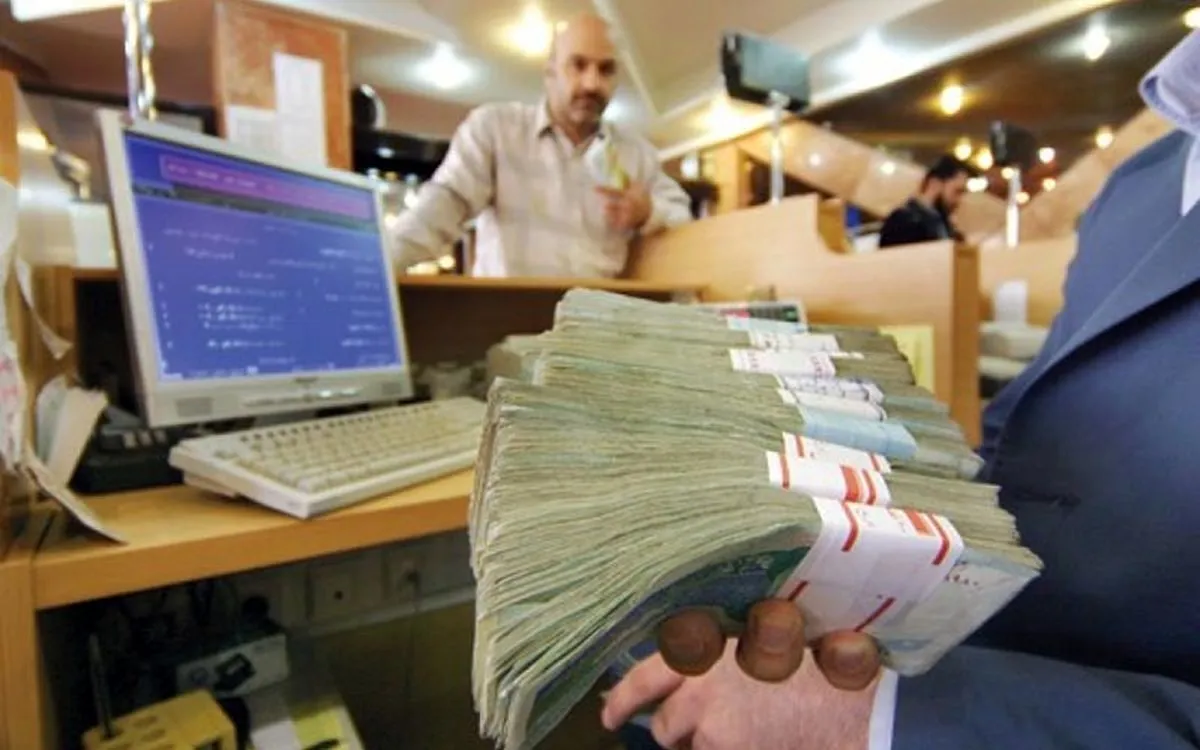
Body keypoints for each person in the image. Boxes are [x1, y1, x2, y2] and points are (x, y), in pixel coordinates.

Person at [603, 28, 1200, 750]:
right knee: (649, 658)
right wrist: (843, 516)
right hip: (968, 627)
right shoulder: (1142, 178)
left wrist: (878, 719)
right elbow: (1028, 428)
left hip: (1040, 708)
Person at [390, 13, 692, 278]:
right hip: (504, 320)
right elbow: (442, 207)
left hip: (595, 324)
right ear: (550, 72)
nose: (592, 83)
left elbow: (686, 225)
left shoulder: (636, 154)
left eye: (606, 69)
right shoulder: (495, 129)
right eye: (578, 65)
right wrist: (377, 267)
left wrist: (648, 212)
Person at [877, 155, 971, 248]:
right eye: (957, 191)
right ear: (935, 183)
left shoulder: (944, 225)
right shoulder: (903, 221)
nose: (959, 200)